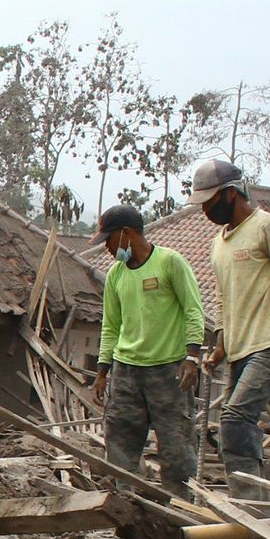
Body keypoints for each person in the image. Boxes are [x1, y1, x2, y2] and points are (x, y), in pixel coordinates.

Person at [189, 159, 270, 493]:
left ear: (231, 194)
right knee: (234, 427)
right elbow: (222, 297)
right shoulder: (219, 244)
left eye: (210, 202)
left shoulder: (268, 227)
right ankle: (256, 498)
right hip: (239, 348)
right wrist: (220, 343)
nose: (205, 212)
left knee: (234, 419)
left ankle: (248, 504)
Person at [90, 204, 206, 491]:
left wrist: (192, 356)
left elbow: (193, 310)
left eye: (109, 240)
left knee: (176, 445)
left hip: (169, 370)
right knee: (120, 441)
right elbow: (110, 326)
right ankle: (123, 504)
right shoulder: (116, 276)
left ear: (127, 234)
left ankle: (179, 510)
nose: (107, 248)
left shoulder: (169, 262)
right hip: (127, 371)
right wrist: (103, 370)